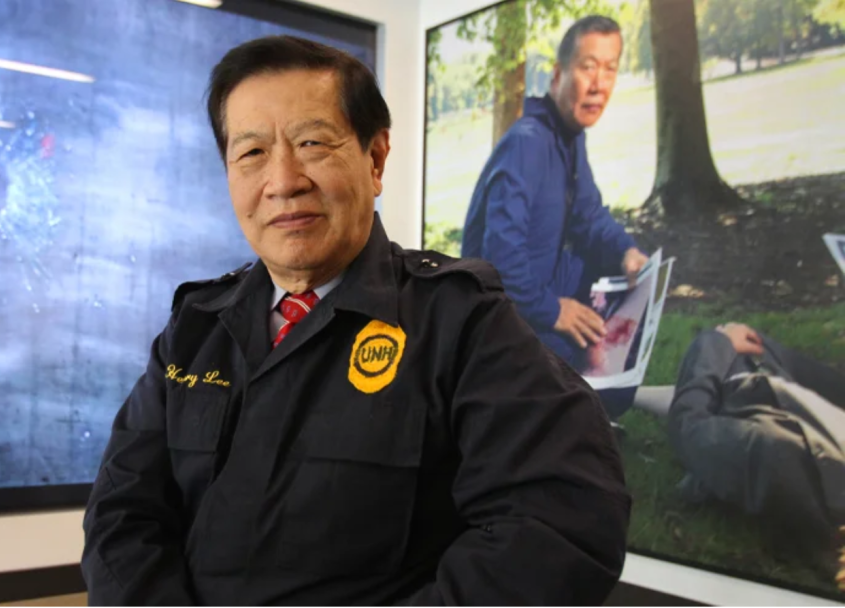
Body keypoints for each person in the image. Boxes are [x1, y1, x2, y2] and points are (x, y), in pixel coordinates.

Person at [81, 35, 629, 605]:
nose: (283, 181)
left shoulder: (460, 321)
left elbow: (566, 517)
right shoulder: (195, 330)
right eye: (252, 153)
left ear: (375, 158)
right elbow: (121, 515)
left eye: (312, 143)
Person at [461, 15, 647, 418]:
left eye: (610, 69)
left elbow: (589, 216)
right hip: (499, 321)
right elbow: (498, 261)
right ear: (559, 75)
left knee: (621, 289)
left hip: (537, 296)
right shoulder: (527, 144)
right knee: (591, 379)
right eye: (588, 67)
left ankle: (594, 401)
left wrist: (627, 252)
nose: (599, 84)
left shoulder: (569, 138)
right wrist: (554, 310)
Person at [668, 323, 845, 584]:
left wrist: (715, 343)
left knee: (730, 342)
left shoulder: (778, 457)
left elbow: (687, 427)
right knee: (750, 342)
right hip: (783, 395)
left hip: (746, 394)